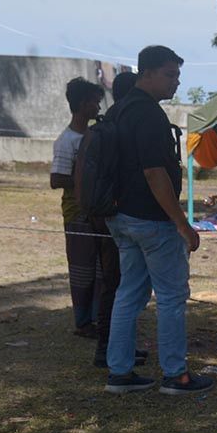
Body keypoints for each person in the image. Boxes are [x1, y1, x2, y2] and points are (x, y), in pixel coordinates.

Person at [104, 45, 212, 396]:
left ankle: (119, 372)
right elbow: (155, 173)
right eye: (169, 74)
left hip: (121, 218)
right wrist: (182, 223)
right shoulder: (148, 114)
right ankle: (176, 375)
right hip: (152, 220)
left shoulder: (118, 110)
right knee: (170, 297)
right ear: (145, 73)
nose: (176, 82)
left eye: (178, 75)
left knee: (128, 294)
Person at [88, 71, 144, 369]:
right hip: (114, 214)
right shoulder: (120, 121)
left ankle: (121, 347)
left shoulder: (113, 119)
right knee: (115, 284)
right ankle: (107, 349)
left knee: (122, 284)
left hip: (110, 212)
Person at [51, 77, 105, 338]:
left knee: (99, 268)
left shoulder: (94, 135)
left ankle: (97, 318)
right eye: (95, 102)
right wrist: (86, 177)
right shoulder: (67, 141)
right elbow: (56, 179)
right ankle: (83, 322)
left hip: (95, 211)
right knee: (83, 269)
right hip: (77, 213)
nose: (98, 107)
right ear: (84, 104)